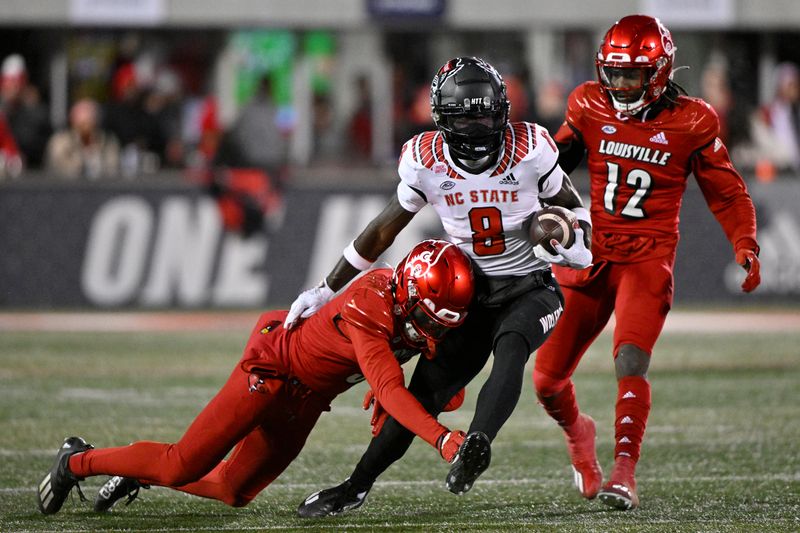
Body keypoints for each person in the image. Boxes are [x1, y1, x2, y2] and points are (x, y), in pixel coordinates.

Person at [288, 56, 593, 518]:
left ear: (503, 111)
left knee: (512, 346)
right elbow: (381, 230)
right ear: (442, 118)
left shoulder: (532, 147)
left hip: (530, 286)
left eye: (485, 115)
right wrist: (326, 288)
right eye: (464, 116)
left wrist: (571, 242)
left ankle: (478, 442)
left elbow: (576, 211)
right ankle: (355, 485)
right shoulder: (425, 159)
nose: (476, 127)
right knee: (422, 395)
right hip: (468, 295)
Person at [36, 239, 474, 515]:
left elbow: (416, 379)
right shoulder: (370, 303)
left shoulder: (416, 311)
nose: (432, 330)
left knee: (233, 490)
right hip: (273, 370)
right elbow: (390, 388)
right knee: (182, 463)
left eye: (441, 324)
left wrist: (438, 393)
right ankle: (76, 461)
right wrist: (441, 439)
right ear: (407, 293)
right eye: (428, 319)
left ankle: (139, 472)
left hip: (307, 399)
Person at [533, 14, 761, 511]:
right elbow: (548, 167)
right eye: (612, 73)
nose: (619, 84)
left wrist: (745, 242)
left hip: (647, 258)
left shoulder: (692, 120)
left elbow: (727, 194)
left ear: (658, 73)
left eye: (631, 74)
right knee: (547, 380)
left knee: (630, 359)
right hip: (591, 255)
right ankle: (581, 437)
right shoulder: (588, 104)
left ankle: (624, 474)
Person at [45, 98, 120, 180]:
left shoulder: (107, 140)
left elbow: (113, 167)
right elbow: (58, 167)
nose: (86, 127)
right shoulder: (59, 141)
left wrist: (94, 152)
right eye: (82, 123)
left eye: (90, 121)